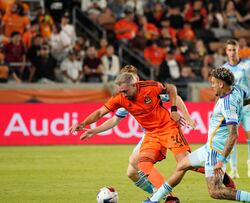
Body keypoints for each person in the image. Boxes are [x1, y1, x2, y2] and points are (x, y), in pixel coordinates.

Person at [70, 66, 235, 203]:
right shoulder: (120, 98)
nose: (123, 94)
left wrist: (175, 111)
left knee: (184, 163)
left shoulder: (150, 87)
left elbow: (172, 89)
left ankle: (220, 175)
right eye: (120, 91)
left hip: (168, 128)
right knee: (143, 164)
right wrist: (84, 124)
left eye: (125, 90)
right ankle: (169, 198)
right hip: (151, 134)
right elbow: (100, 113)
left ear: (135, 84)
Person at [143, 67, 250, 203]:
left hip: (216, 151)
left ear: (221, 84)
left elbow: (233, 134)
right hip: (209, 147)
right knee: (182, 165)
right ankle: (154, 199)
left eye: (213, 83)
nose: (212, 86)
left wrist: (221, 159)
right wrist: (239, 106)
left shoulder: (228, 104)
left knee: (215, 191)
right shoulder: (237, 89)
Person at [78, 65, 195, 197]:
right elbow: (113, 120)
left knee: (137, 162)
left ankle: (164, 194)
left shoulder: (148, 90)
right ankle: (156, 192)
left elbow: (175, 96)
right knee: (131, 173)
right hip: (149, 134)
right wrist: (94, 130)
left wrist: (186, 116)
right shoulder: (124, 98)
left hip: (162, 130)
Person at [222, 39, 250, 179]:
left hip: (249, 107)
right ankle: (233, 169)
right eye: (229, 50)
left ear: (238, 50)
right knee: (232, 138)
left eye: (234, 49)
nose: (232, 52)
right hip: (233, 109)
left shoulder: (249, 64)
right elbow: (221, 91)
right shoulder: (224, 69)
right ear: (226, 52)